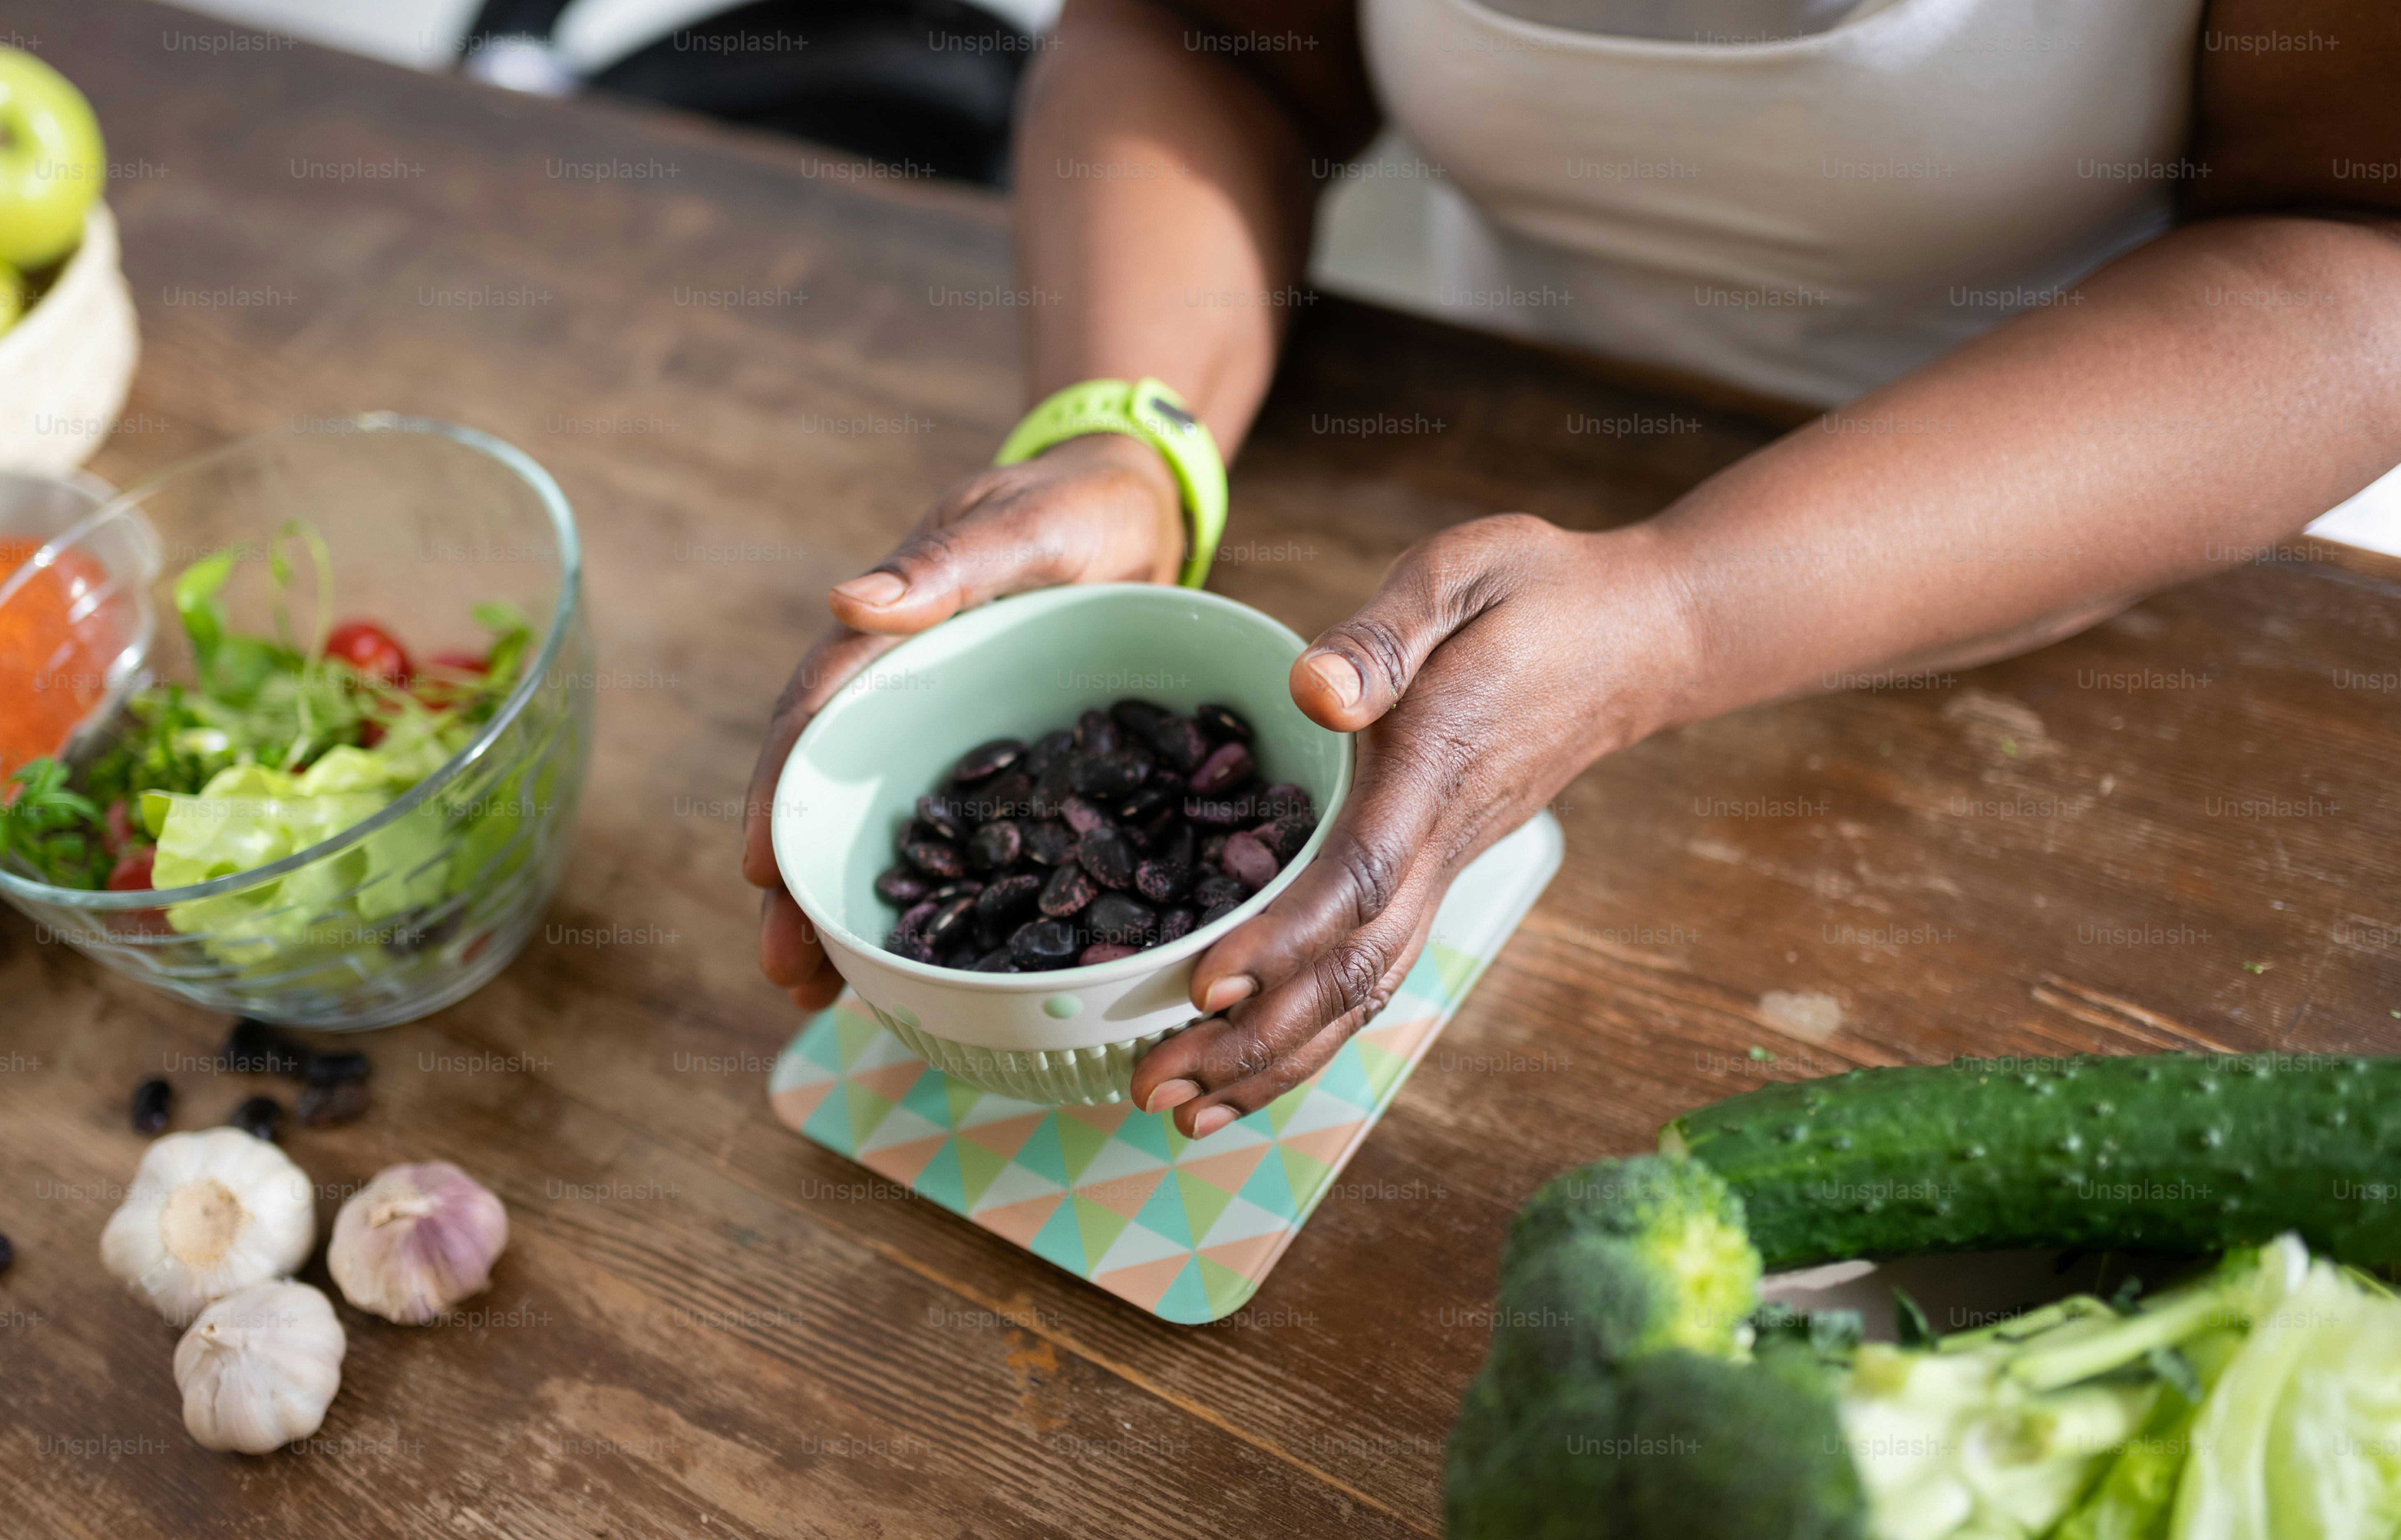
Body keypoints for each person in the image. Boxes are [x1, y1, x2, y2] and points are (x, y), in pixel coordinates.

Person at [745, 0, 2401, 1139]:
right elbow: (1211, 35)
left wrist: (1683, 612)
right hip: (1484, 428)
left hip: (2121, 534)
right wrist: (1126, 435)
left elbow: (2354, 247)